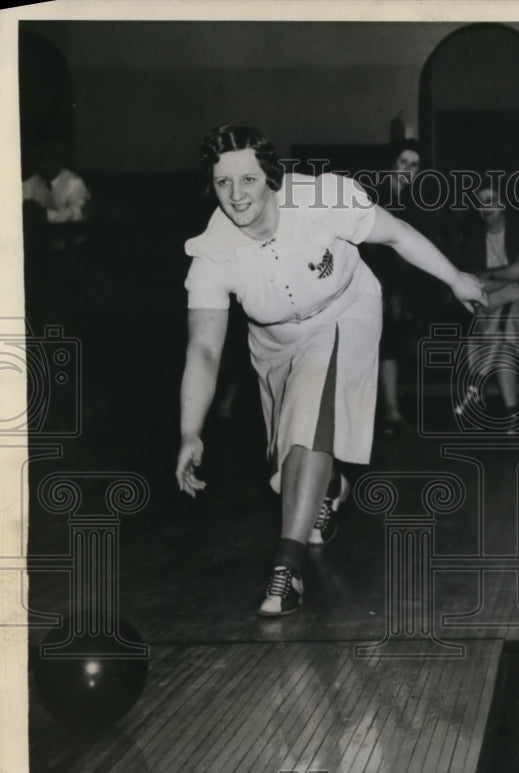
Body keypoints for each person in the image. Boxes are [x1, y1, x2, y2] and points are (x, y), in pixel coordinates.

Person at [175, 125, 485, 616]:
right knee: (289, 454)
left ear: (271, 177)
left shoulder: (323, 198)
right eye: (223, 183)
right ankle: (332, 487)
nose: (236, 196)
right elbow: (204, 350)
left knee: (308, 431)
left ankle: (287, 568)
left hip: (346, 312)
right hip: (274, 340)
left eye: (248, 180)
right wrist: (190, 431)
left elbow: (397, 234)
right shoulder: (213, 250)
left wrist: (454, 278)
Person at [456, 181, 519, 424]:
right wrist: (507, 273)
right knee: (503, 341)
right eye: (480, 202)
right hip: (489, 308)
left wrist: (490, 275)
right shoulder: (473, 240)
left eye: (491, 199)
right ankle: (513, 415)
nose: (486, 206)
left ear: (503, 203)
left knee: (504, 323)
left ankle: (476, 383)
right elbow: (471, 282)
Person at [359, 138, 428, 435]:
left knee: (388, 346)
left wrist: (399, 291)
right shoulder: (372, 195)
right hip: (363, 280)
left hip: (393, 287)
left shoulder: (415, 204)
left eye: (414, 166)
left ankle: (391, 412)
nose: (407, 170)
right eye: (403, 163)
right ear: (392, 164)